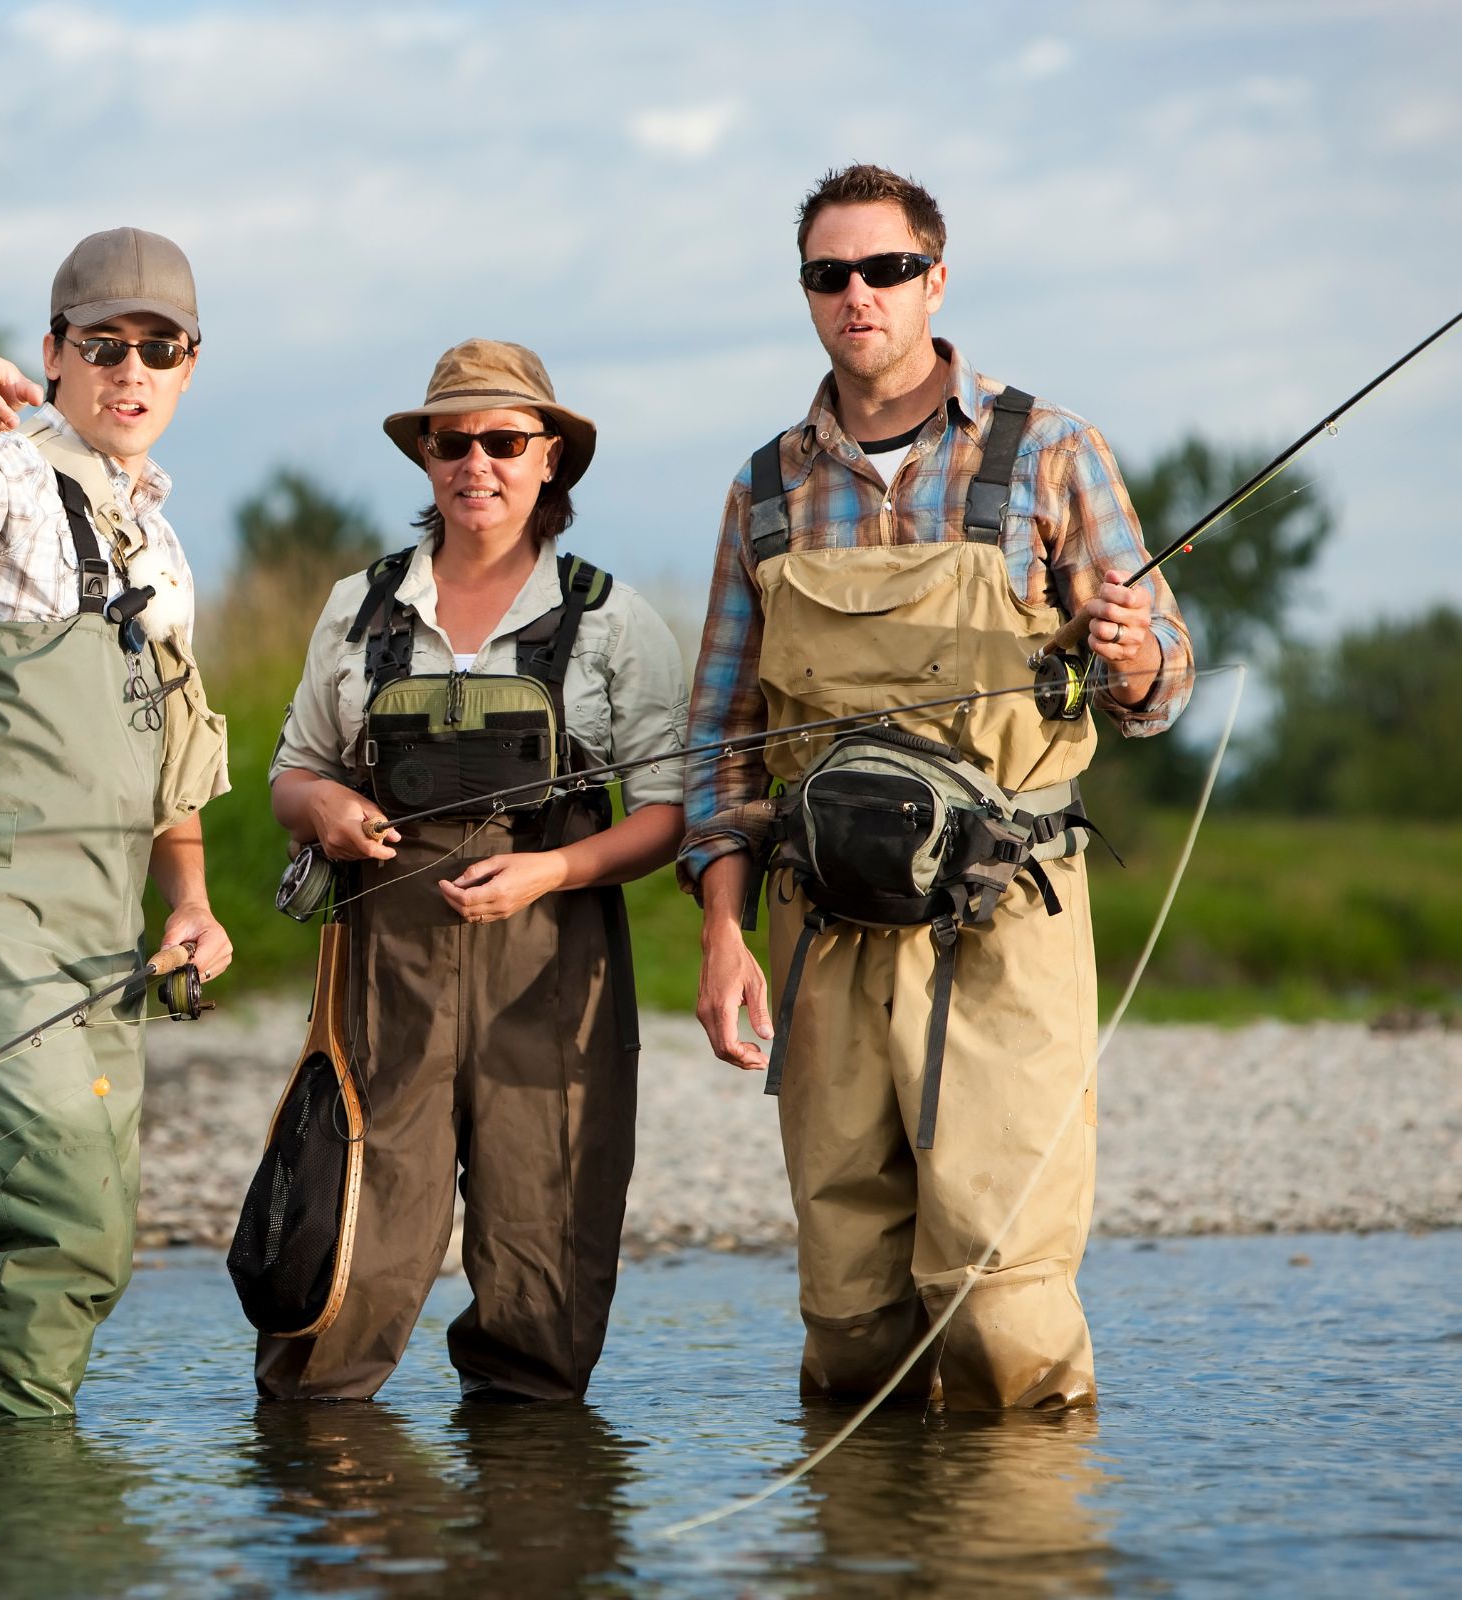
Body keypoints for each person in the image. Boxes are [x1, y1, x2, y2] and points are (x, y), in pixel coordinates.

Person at [682, 165, 1193, 1409]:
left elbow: (1165, 679)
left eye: (886, 269)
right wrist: (721, 931)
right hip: (822, 938)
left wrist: (1133, 654)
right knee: (849, 1302)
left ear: (937, 279)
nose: (858, 294)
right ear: (809, 294)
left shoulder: (1054, 451)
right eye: (830, 274)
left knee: (999, 1291)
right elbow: (719, 741)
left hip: (1006, 924)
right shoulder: (762, 489)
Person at [259, 339, 688, 1401]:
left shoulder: (613, 620)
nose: (476, 464)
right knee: (352, 1242)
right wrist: (325, 810)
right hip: (382, 969)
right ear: (427, 459)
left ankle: (533, 1520)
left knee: (543, 1259)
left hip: (554, 968)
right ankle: (322, 1513)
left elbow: (671, 814)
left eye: (504, 441)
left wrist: (552, 874)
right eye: (453, 441)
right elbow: (290, 775)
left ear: (551, 460)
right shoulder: (357, 609)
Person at [0, 226, 234, 1419]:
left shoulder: (163, 545)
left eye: (158, 349)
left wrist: (189, 903)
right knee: (64, 1218)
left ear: (189, 366)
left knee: (92, 1238)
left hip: (99, 932)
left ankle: (13, 1508)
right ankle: (24, 1506)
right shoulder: (15, 475)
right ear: (55, 354)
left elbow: (177, 754)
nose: (131, 371)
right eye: (104, 345)